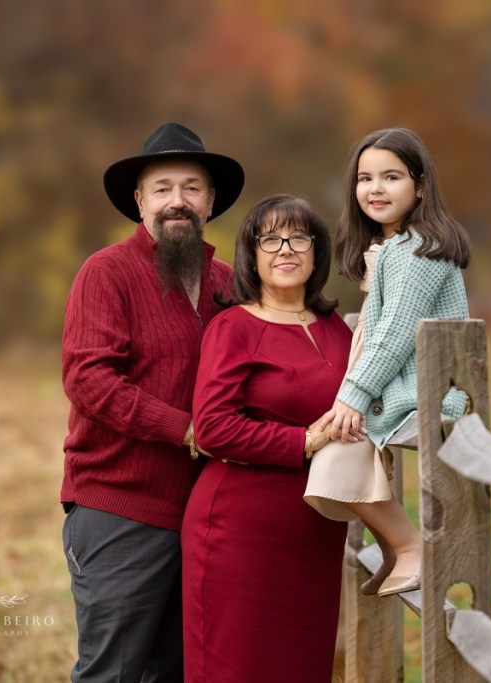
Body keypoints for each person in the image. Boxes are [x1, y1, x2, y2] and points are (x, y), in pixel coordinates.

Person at [60, 122, 244, 682]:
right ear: (139, 202)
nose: (177, 201)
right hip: (120, 507)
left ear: (210, 202)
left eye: (191, 187)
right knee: (113, 673)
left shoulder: (229, 284)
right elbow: (90, 381)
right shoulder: (106, 273)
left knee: (178, 672)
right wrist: (189, 430)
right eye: (162, 188)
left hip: (204, 514)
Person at [183, 194, 353, 683]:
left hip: (314, 532)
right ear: (251, 255)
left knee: (303, 663)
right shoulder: (233, 327)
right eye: (270, 238)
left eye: (299, 237)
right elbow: (213, 426)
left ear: (316, 251)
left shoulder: (335, 327)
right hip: (239, 532)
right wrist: (300, 441)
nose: (286, 249)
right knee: (236, 667)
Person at [304, 127, 471, 597]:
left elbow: (393, 335)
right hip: (405, 384)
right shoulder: (393, 248)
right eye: (365, 178)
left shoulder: (418, 249)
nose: (374, 189)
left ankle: (410, 547)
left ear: (419, 186)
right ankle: (399, 549)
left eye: (391, 177)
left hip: (430, 388)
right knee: (336, 447)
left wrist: (353, 397)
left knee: (338, 446)